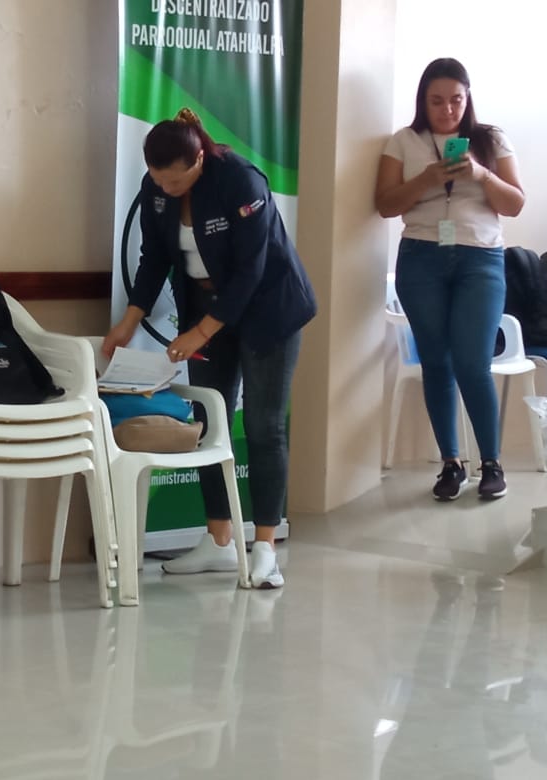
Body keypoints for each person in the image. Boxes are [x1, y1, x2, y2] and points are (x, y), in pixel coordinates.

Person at [102, 109, 316, 589]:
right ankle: (218, 539)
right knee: (210, 421)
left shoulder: (241, 181)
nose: (166, 188)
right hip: (206, 305)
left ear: (199, 159)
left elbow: (250, 271)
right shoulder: (156, 188)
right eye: (159, 179)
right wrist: (127, 323)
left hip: (268, 310)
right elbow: (154, 257)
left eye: (176, 181)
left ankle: (265, 547)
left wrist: (199, 334)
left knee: (262, 425)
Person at [375, 58, 525, 501]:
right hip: (421, 257)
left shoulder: (491, 139)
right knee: (436, 362)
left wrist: (481, 173)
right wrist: (427, 178)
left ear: (468, 97)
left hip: (481, 259)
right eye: (437, 101)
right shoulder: (404, 141)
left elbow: (515, 204)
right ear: (423, 101)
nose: (448, 110)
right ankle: (450, 464)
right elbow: (385, 205)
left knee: (472, 363)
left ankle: (491, 464)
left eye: (456, 100)